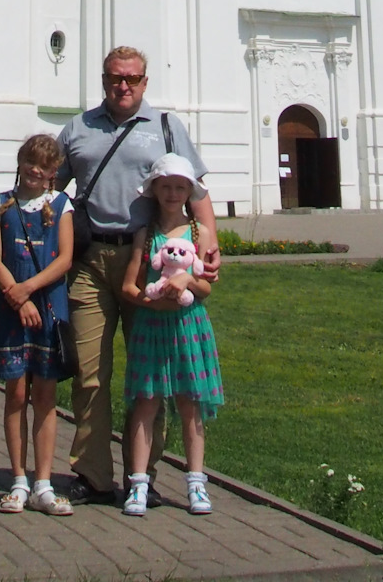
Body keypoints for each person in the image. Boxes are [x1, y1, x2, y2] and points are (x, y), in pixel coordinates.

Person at [55, 45, 220, 504]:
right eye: (113, 78)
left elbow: (197, 189)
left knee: (154, 373)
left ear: (145, 82)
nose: (122, 86)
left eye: (131, 78)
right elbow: (52, 187)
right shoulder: (78, 128)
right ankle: (91, 475)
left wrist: (210, 239)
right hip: (91, 260)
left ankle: (141, 477)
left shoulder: (165, 127)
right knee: (90, 373)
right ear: (103, 80)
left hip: (150, 259)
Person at [120, 153, 223, 517]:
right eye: (166, 187)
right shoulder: (145, 234)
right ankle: (138, 485)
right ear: (155, 190)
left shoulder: (201, 232)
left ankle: (196, 483)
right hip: (153, 325)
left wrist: (186, 280)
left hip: (188, 326)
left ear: (189, 192)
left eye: (181, 187)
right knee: (147, 403)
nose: (173, 193)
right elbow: (129, 286)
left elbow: (208, 287)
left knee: (190, 405)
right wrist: (152, 301)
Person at [0, 133, 76, 516]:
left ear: (54, 172)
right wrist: (16, 296)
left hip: (48, 307)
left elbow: (66, 257)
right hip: (12, 309)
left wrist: (28, 289)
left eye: (44, 166)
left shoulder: (60, 204)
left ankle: (44, 483)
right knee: (16, 394)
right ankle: (19, 481)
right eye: (30, 163)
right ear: (20, 162)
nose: (35, 171)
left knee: (46, 396)